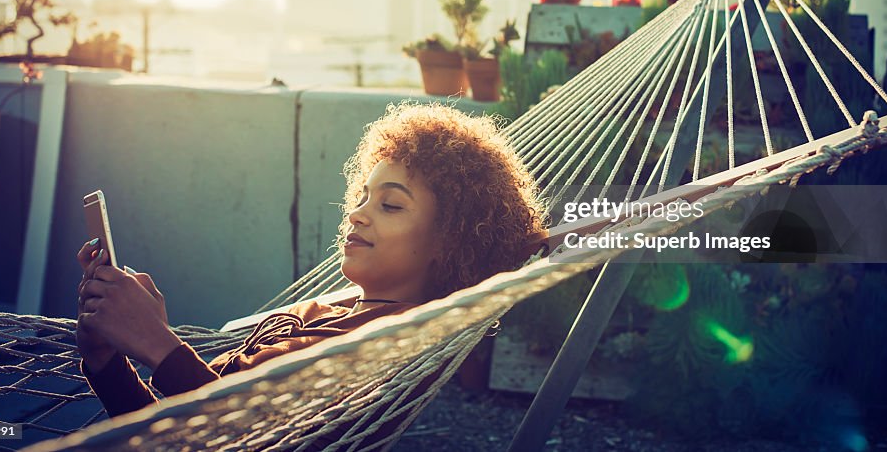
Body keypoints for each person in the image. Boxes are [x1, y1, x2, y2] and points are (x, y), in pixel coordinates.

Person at [77, 101, 549, 420]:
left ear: (450, 241)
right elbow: (174, 437)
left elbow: (238, 436)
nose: (357, 213)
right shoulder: (324, 313)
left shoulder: (382, 344)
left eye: (391, 205)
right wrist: (108, 362)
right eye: (363, 196)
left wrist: (157, 343)